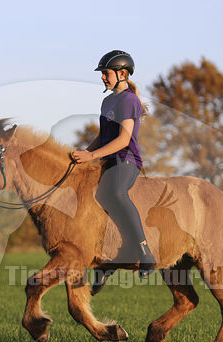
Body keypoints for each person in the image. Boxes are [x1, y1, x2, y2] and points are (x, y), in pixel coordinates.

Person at [71, 49, 156, 293]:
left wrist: (92, 155)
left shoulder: (129, 100)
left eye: (105, 73)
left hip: (126, 160)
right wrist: (83, 155)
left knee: (117, 193)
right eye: (102, 74)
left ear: (122, 73)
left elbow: (122, 139)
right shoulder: (107, 101)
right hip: (106, 161)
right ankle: (106, 261)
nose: (102, 78)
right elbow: (102, 136)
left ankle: (144, 251)